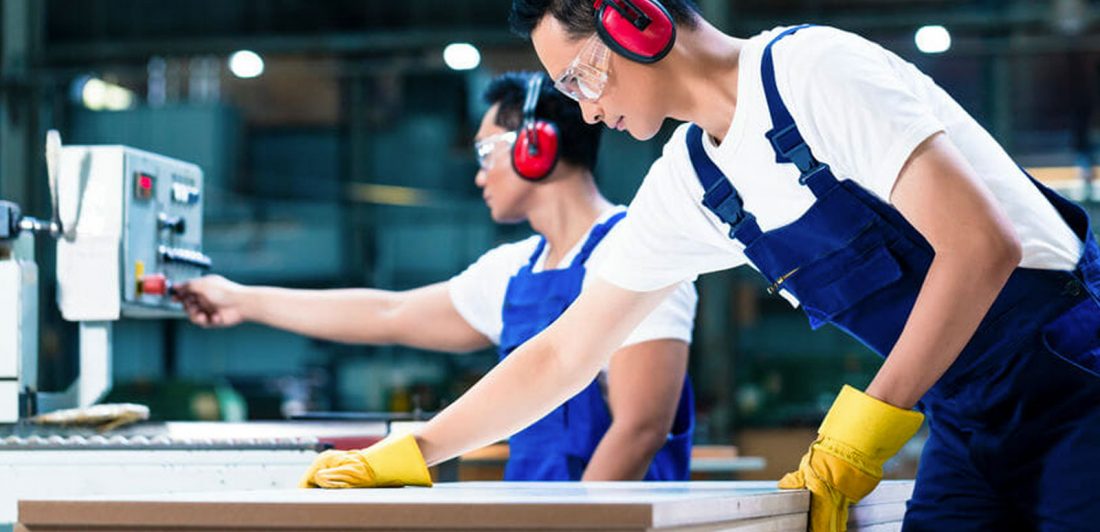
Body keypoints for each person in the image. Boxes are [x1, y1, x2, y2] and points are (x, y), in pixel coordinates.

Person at [298, 2, 1100, 531]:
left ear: (639, 25)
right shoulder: (696, 182)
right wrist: (415, 449)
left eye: (578, 77)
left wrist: (858, 438)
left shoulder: (812, 72)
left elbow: (979, 249)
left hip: (1077, 379)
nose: (582, 110)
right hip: (965, 415)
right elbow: (565, 351)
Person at [175, 71, 698, 483]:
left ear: (535, 145)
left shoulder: (639, 254)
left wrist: (580, 522)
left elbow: (640, 427)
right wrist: (243, 299)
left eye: (485, 153)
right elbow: (389, 312)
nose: (477, 175)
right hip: (541, 511)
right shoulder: (515, 270)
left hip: (617, 520)